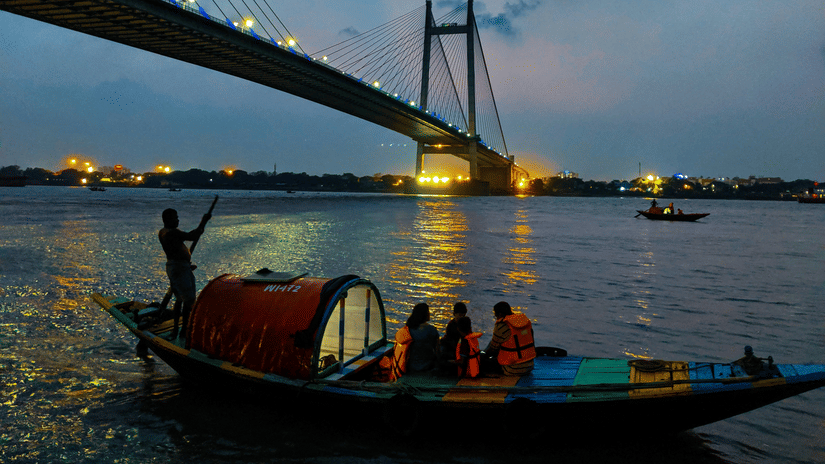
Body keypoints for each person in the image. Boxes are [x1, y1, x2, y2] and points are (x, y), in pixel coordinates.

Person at [159, 207, 210, 340]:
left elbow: (179, 247)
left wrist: (186, 265)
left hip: (180, 267)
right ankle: (182, 331)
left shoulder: (164, 232)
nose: (178, 220)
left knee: (180, 299)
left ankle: (179, 330)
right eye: (175, 218)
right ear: (167, 220)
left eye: (177, 217)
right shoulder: (171, 233)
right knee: (188, 301)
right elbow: (192, 236)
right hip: (178, 269)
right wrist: (203, 222)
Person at [483, 301, 536, 376]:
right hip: (530, 366)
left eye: (495, 315)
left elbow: (493, 350)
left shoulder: (502, 326)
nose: (495, 317)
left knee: (482, 362)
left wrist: (483, 356)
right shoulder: (525, 322)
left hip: (511, 368)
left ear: (500, 314)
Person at [390, 303, 440, 378]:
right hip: (427, 367)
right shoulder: (432, 330)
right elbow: (437, 351)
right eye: (428, 312)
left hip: (409, 367)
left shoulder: (408, 329)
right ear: (425, 314)